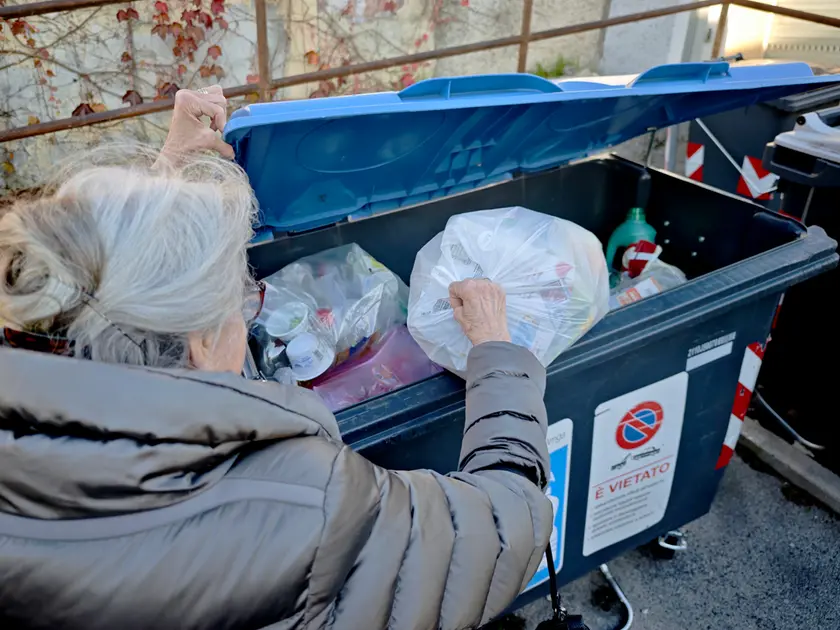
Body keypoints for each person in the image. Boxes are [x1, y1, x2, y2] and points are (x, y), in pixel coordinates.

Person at [0, 87, 552, 630]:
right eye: (238, 295)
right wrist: (497, 351)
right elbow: (505, 528)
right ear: (202, 341)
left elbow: (100, 301)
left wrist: (165, 194)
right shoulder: (301, 499)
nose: (248, 312)